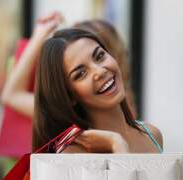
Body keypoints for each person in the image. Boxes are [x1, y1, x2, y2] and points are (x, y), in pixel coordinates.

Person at [33, 28, 163, 154]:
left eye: (100, 56)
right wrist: (116, 144)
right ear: (69, 96)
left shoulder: (152, 134)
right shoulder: (72, 155)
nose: (100, 71)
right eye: (81, 73)